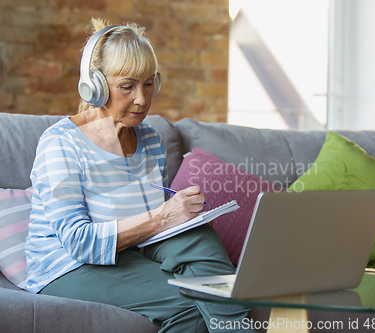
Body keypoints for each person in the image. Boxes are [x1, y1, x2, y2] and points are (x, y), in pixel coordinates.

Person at [25, 18, 254, 332]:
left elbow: (148, 214)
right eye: (127, 86)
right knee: (190, 303)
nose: (143, 99)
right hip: (66, 266)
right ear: (96, 86)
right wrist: (162, 216)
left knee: (197, 236)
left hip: (129, 249)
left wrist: (183, 217)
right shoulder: (61, 144)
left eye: (149, 84)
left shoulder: (150, 140)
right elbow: (79, 242)